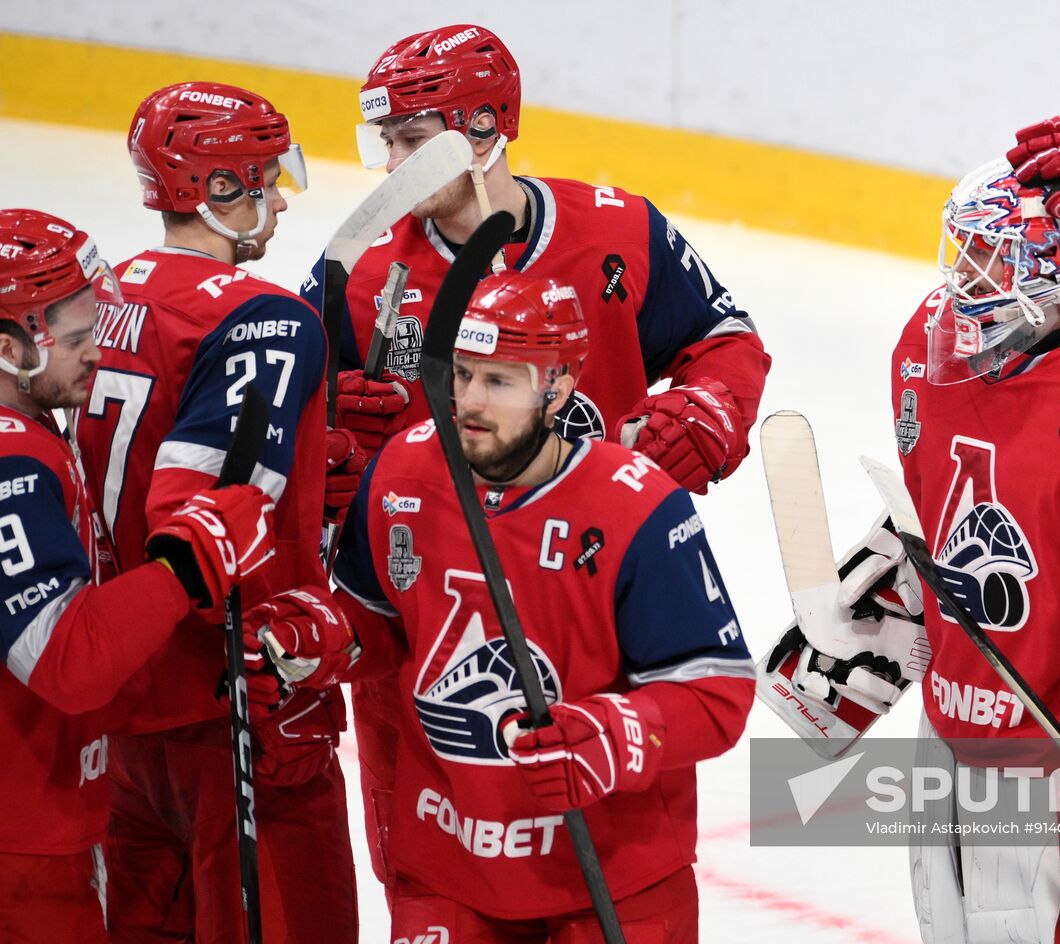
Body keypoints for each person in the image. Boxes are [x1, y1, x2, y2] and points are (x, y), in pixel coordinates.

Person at [304, 22, 771, 895]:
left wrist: (706, 412)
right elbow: (307, 455)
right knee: (432, 879)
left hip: (601, 607)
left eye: (414, 142)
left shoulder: (618, 229)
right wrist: (334, 453)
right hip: (432, 621)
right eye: (389, 143)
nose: (393, 169)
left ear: (484, 129)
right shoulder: (362, 276)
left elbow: (725, 338)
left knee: (617, 867)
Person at [762, 119, 1060, 942]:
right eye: (963, 250)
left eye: (992, 256)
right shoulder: (925, 344)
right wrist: (881, 612)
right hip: (949, 739)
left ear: (1059, 264)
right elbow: (943, 509)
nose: (964, 279)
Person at [261, 270, 755, 940]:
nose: (468, 400)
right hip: (447, 867)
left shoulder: (635, 506)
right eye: (462, 373)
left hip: (611, 878)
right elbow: (379, 620)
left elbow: (715, 692)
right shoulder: (402, 473)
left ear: (559, 388)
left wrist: (613, 734)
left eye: (500, 380)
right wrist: (323, 636)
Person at [73, 83, 358, 942]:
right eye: (263, 178)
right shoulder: (266, 318)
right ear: (215, 190)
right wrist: (292, 651)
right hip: (239, 708)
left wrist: (318, 467)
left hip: (122, 706)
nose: (275, 199)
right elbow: (198, 516)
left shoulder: (103, 296)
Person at [0, 208, 274, 941]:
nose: (99, 355)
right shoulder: (10, 467)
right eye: (81, 338)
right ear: (9, 347)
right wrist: (191, 559)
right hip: (19, 844)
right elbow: (68, 662)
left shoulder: (32, 436)